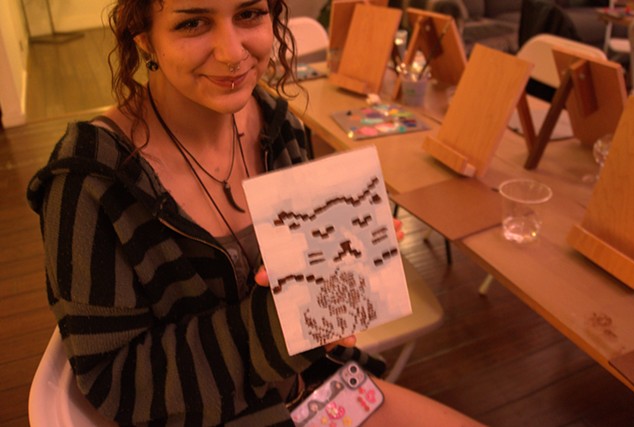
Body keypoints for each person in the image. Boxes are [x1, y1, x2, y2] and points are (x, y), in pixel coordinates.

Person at [27, 0, 484, 425]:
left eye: (248, 14)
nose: (232, 53)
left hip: (322, 390)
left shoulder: (277, 124)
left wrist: (346, 265)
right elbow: (116, 381)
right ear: (145, 39)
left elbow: (312, 288)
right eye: (193, 23)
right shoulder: (90, 182)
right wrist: (287, 323)